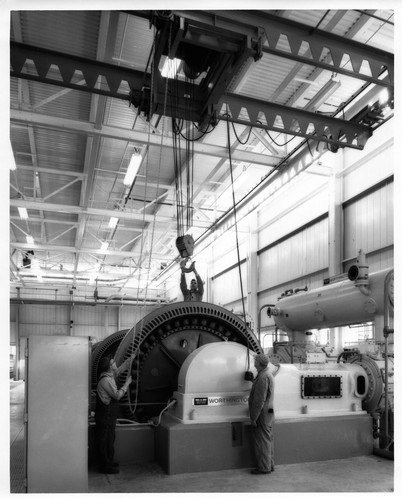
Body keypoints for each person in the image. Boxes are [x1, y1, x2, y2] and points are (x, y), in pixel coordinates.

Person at [95, 355, 133, 474]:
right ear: (109, 367)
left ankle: (109, 461)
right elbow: (117, 395)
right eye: (113, 363)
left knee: (110, 438)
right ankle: (104, 466)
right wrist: (127, 384)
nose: (116, 364)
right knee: (104, 440)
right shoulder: (105, 380)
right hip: (105, 415)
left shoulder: (110, 375)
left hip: (109, 414)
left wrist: (133, 356)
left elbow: (121, 369)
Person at [248, 353, 275, 474]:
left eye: (255, 361)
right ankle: (270, 465)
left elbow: (259, 400)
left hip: (262, 413)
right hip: (269, 411)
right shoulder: (267, 374)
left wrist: (253, 418)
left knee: (263, 441)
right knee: (267, 439)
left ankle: (264, 468)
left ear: (258, 363)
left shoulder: (263, 377)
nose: (254, 363)